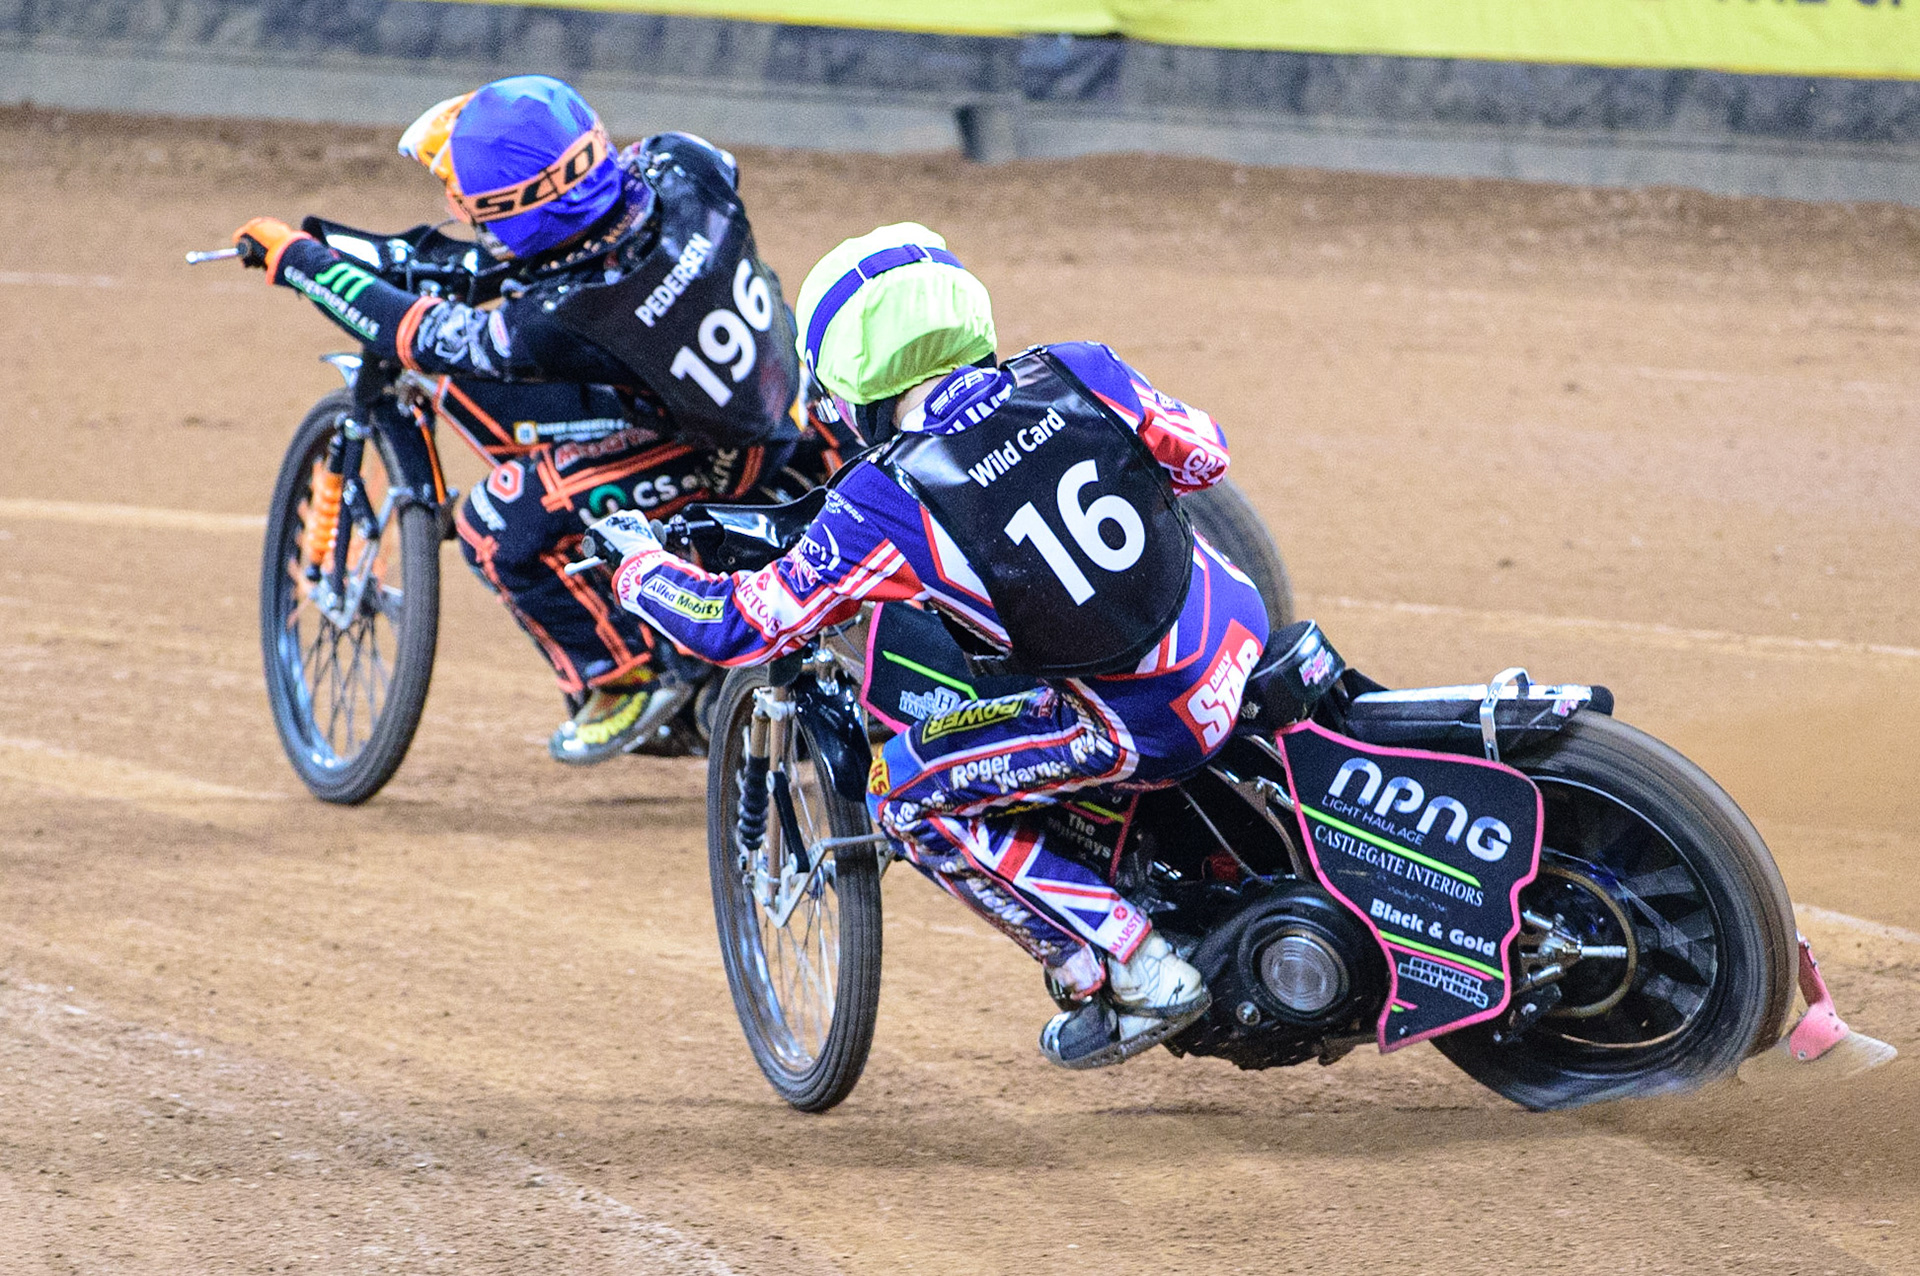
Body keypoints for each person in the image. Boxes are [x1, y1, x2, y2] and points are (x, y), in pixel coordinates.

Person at [590, 223, 1271, 1069]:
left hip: (1146, 721)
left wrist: (638, 570)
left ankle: (1132, 970)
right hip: (1239, 625)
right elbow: (1203, 458)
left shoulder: (886, 497)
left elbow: (744, 624)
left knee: (902, 792)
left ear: (851, 378)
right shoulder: (1075, 367)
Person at [231, 74, 814, 763]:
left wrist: (303, 263)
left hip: (719, 448)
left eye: (481, 208)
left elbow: (420, 334)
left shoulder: (560, 318)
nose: (470, 217)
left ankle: (624, 679)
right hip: (787, 390)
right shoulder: (683, 162)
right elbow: (577, 245)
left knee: (494, 525)